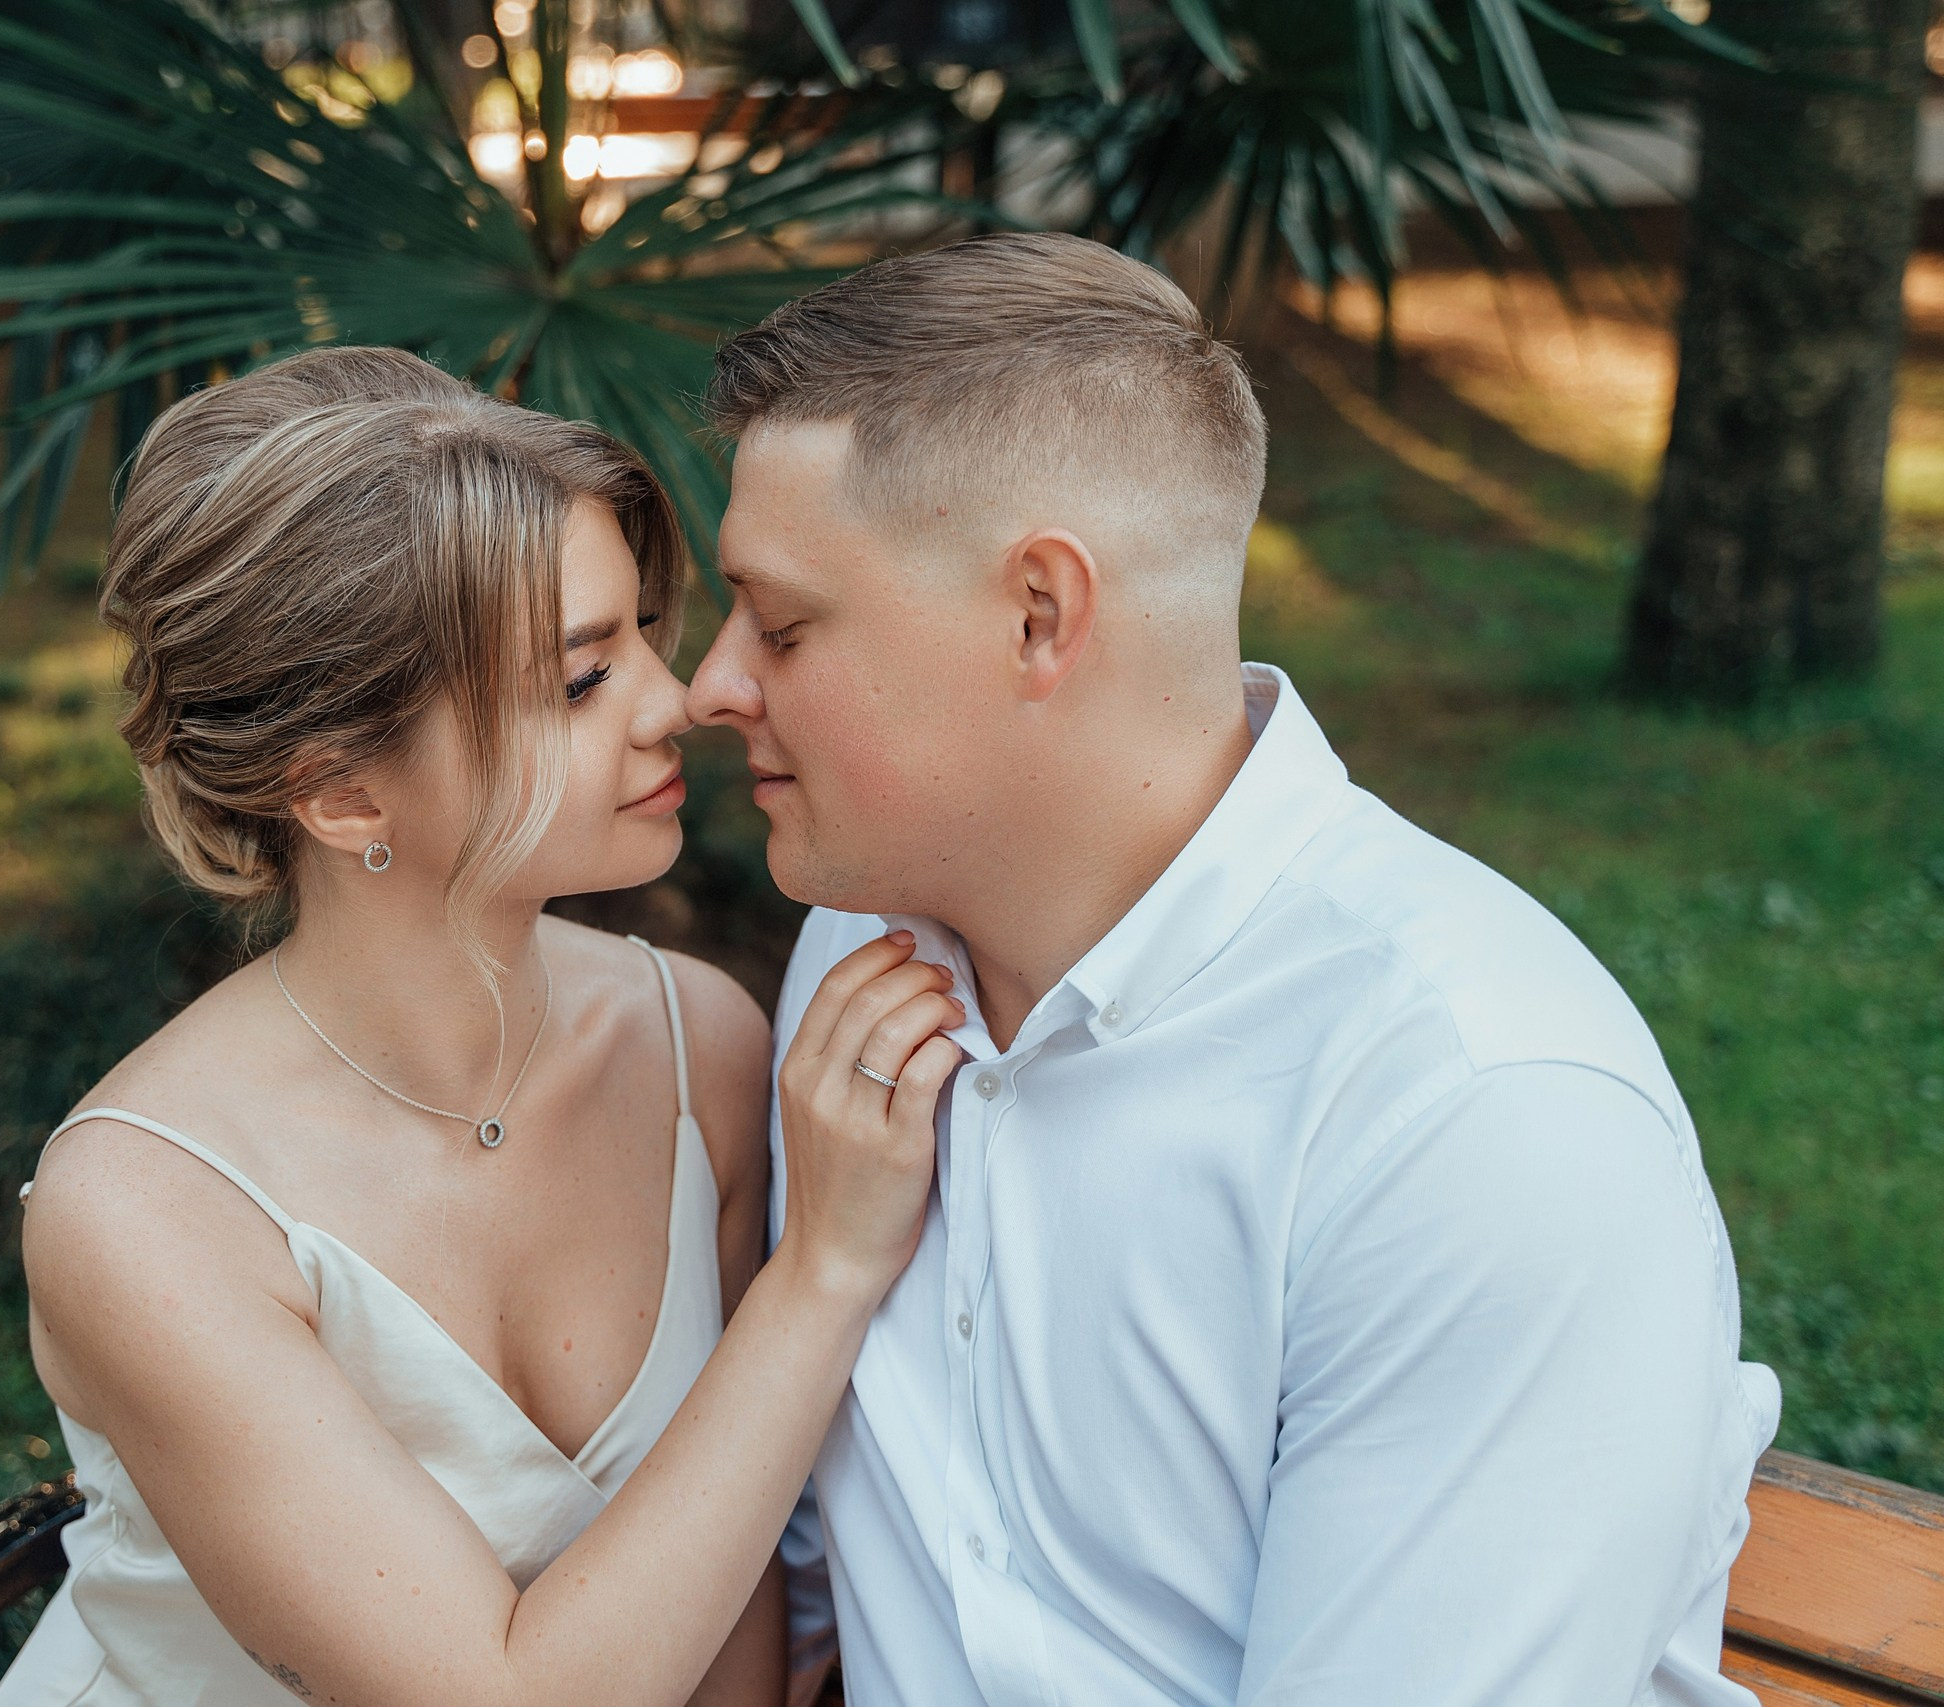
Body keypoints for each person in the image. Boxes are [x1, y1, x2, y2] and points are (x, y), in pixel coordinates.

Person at [686, 232, 1785, 1707]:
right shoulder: (865, 953)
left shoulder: (1477, 1115)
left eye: (783, 623)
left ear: (1039, 615)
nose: (711, 684)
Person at [0, 346, 960, 1707]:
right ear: (340, 795)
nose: (675, 704)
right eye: (576, 682)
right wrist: (826, 1280)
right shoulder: (143, 1213)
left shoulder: (703, 1045)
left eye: (637, 639)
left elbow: (726, 1568)